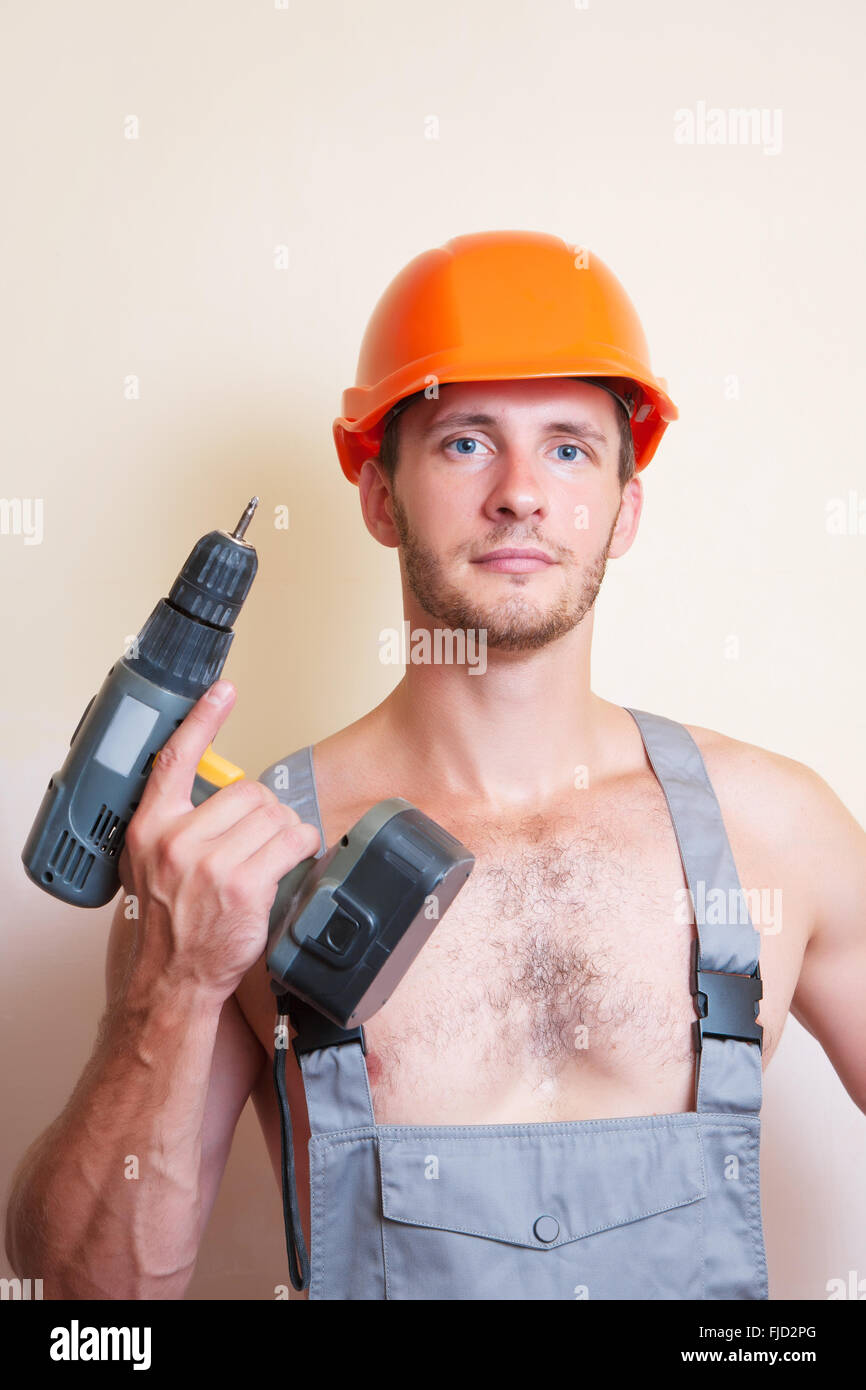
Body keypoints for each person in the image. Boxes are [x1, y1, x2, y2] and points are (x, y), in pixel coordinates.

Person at [7, 231, 865, 1301]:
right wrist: (174, 987)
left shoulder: (777, 830)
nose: (518, 494)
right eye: (465, 443)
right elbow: (91, 1307)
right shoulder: (234, 862)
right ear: (379, 496)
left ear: (622, 509)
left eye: (567, 448)